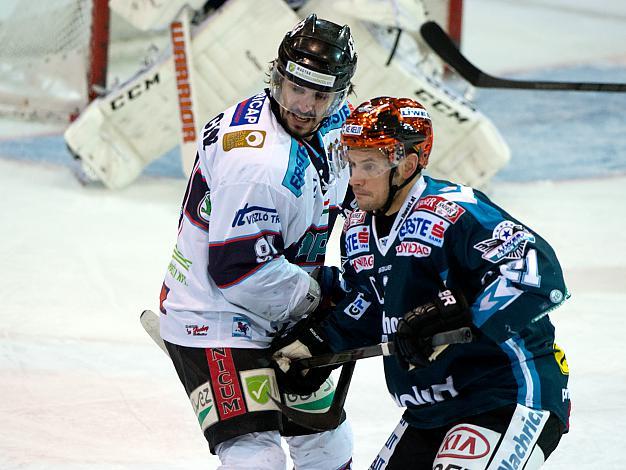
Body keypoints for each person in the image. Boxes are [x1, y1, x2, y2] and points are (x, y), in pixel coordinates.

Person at [272, 96, 571, 469]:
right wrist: (317, 346)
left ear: (408, 165)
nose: (355, 178)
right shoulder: (357, 228)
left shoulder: (455, 211)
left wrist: (460, 316)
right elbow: (369, 304)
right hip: (429, 409)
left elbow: (538, 274)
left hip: (504, 393)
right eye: (351, 163)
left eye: (370, 164)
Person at [158, 14, 357, 470]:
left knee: (326, 440)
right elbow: (240, 272)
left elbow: (347, 192)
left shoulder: (332, 122)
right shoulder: (258, 166)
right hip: (215, 318)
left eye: (320, 95)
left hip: (280, 306)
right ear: (277, 77)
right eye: (296, 89)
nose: (305, 106)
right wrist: (324, 298)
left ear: (340, 95)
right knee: (256, 452)